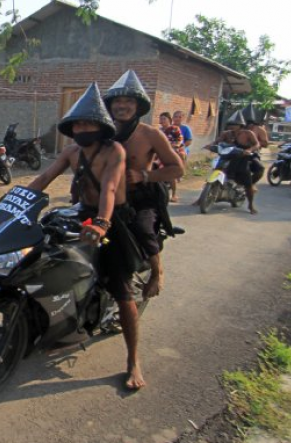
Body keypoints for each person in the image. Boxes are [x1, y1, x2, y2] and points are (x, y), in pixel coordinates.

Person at [28, 82, 150, 390]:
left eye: (88, 123)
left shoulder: (115, 151)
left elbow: (109, 188)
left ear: (101, 126)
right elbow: (44, 177)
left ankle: (133, 359)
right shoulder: (71, 151)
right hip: (80, 213)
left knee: (122, 292)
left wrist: (102, 223)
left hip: (113, 221)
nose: (82, 128)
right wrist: (12, 202)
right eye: (78, 123)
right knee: (43, 259)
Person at [104, 70, 184, 301]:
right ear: (110, 105)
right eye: (118, 100)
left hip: (141, 197)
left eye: (129, 101)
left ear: (138, 106)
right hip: (106, 195)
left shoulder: (150, 134)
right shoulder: (102, 131)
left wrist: (144, 175)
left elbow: (177, 169)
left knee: (142, 228)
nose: (122, 105)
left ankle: (157, 274)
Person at [208, 110, 260, 214]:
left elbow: (256, 144)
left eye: (234, 124)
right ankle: (202, 198)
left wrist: (249, 150)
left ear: (241, 125)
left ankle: (250, 205)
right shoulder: (225, 134)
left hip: (242, 158)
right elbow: (217, 141)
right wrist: (210, 146)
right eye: (230, 124)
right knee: (214, 172)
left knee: (247, 183)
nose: (231, 126)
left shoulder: (248, 133)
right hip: (227, 156)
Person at [158, 112, 186, 202]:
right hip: (161, 152)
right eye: (161, 118)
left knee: (170, 173)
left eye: (164, 119)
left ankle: (174, 194)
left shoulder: (174, 128)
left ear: (169, 120)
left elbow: (179, 140)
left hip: (175, 150)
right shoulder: (158, 131)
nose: (162, 120)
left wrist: (175, 146)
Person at [241, 103, 267, 184]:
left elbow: (265, 144)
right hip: (235, 151)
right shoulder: (236, 127)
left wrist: (254, 143)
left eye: (249, 123)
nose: (246, 125)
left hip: (251, 153)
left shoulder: (259, 129)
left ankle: (249, 185)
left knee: (260, 169)